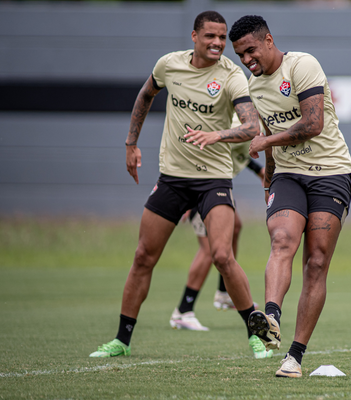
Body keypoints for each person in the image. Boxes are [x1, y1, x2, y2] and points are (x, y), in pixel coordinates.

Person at [90, 11, 273, 359]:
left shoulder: (232, 76)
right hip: (172, 178)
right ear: (194, 36)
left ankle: (255, 332)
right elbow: (146, 96)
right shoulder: (169, 65)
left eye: (222, 38)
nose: (218, 43)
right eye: (211, 37)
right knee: (143, 256)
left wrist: (215, 134)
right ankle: (121, 340)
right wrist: (131, 144)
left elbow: (251, 127)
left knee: (221, 254)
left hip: (213, 181)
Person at [229, 15, 351, 378]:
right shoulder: (254, 85)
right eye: (240, 55)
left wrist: (266, 141)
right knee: (282, 240)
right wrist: (268, 175)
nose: (247, 60)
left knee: (315, 262)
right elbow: (267, 129)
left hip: (331, 173)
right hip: (287, 175)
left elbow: (313, 125)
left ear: (269, 40)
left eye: (251, 50)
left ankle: (295, 357)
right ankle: (270, 318)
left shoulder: (302, 65)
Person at [170, 138, 265, 333]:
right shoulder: (235, 122)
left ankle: (224, 293)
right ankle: (183, 311)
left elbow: (237, 151)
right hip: (200, 187)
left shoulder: (243, 123)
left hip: (214, 188)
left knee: (235, 227)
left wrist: (258, 170)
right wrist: (185, 194)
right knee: (208, 250)